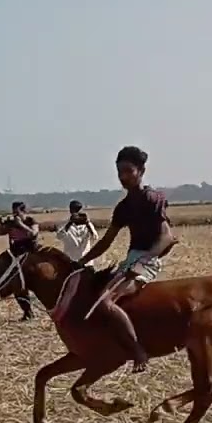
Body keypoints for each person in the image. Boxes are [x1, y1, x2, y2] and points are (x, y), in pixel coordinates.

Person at [78, 146, 177, 373]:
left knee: (106, 301)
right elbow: (105, 242)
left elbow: (167, 237)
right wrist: (80, 262)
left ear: (141, 170)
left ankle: (138, 351)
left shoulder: (153, 198)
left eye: (128, 171)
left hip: (149, 259)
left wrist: (144, 261)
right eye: (119, 171)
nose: (123, 177)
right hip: (131, 259)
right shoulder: (123, 207)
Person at [0, 201, 40, 320]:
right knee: (18, 287)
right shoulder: (12, 223)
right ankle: (28, 312)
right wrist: (3, 224)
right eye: (14, 212)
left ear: (24, 211)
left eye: (18, 212)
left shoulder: (31, 221)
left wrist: (21, 225)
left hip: (30, 255)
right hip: (16, 257)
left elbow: (33, 234)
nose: (15, 215)